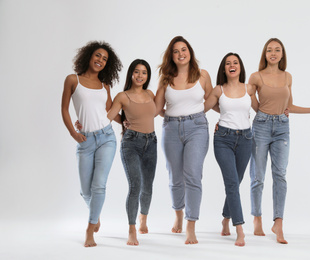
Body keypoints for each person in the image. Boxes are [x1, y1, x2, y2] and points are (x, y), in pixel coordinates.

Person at [249, 38, 310, 244]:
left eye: (277, 50)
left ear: (282, 54)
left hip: (282, 128)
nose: (273, 53)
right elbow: (252, 104)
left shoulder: (288, 76)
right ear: (265, 54)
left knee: (280, 175)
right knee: (257, 175)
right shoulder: (255, 76)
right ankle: (257, 218)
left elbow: (290, 107)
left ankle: (278, 223)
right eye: (269, 50)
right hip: (261, 126)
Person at [61, 41, 122, 247]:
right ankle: (96, 215)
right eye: (98, 56)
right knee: (85, 191)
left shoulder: (105, 86)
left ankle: (90, 229)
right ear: (89, 56)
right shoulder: (72, 80)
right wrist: (73, 133)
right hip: (85, 141)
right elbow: (64, 110)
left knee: (99, 185)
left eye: (105, 59)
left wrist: (128, 121)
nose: (100, 61)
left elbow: (110, 112)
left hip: (106, 138)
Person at [155, 36, 213, 244]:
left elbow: (213, 100)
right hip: (171, 128)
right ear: (171, 56)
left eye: (184, 49)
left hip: (197, 127)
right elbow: (155, 108)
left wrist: (231, 115)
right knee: (175, 177)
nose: (181, 54)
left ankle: (191, 224)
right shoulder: (165, 78)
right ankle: (178, 213)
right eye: (176, 51)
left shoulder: (203, 75)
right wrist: (127, 118)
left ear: (190, 52)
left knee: (193, 175)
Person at [204, 53, 258, 246]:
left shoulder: (249, 88)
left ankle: (226, 218)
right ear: (224, 69)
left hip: (246, 139)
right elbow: (201, 108)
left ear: (240, 67)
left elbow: (261, 109)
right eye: (228, 63)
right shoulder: (218, 90)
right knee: (232, 184)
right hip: (223, 139)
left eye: (235, 62)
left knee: (236, 181)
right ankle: (240, 229)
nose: (232, 65)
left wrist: (282, 109)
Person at [107, 59, 157, 246]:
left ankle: (144, 217)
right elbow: (109, 116)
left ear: (147, 76)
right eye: (136, 72)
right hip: (131, 144)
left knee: (148, 186)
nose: (140, 75)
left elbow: (158, 111)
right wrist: (123, 121)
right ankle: (132, 228)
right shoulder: (122, 96)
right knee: (135, 185)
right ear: (131, 74)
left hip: (151, 142)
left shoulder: (151, 94)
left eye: (144, 72)